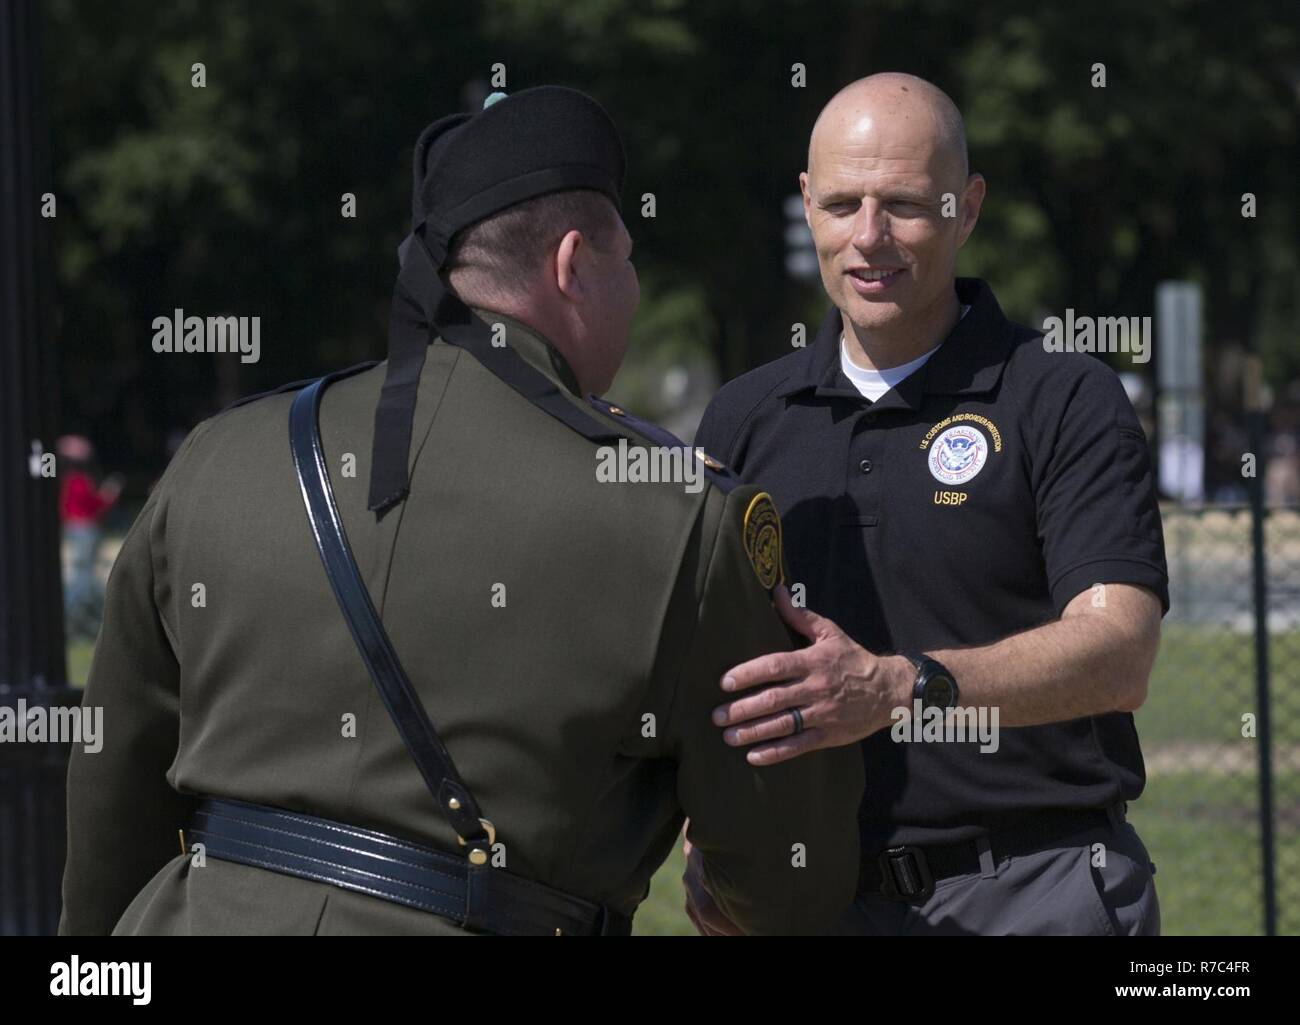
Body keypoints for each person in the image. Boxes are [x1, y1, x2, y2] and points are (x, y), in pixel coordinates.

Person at [58, 85, 862, 937]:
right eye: (626, 260)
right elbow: (781, 885)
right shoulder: (683, 517)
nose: (631, 288)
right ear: (573, 262)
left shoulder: (217, 456)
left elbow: (115, 794)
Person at [689, 73, 1167, 936]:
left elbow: (1118, 652)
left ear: (967, 206)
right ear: (806, 204)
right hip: (814, 900)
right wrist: (711, 841)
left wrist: (898, 688)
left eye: (904, 203)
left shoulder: (1063, 397)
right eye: (841, 204)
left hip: (1035, 890)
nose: (869, 237)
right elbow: (713, 655)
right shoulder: (744, 416)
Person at [56, 434, 122, 640]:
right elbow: (95, 506)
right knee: (82, 577)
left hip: (74, 528)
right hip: (84, 529)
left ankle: (78, 620)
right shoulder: (79, 481)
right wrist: (110, 495)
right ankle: (77, 621)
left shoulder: (65, 481)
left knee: (82, 573)